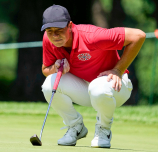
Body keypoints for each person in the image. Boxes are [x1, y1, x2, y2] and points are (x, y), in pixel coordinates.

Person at [41, 4, 146, 148]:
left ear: (70, 26)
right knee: (49, 84)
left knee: (98, 87)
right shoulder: (48, 39)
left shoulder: (93, 36)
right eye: (49, 31)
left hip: (116, 88)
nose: (54, 35)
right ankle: (75, 127)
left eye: (59, 30)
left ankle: (104, 129)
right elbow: (46, 69)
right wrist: (56, 67)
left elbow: (139, 36)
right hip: (86, 90)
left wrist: (118, 70)